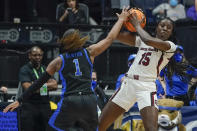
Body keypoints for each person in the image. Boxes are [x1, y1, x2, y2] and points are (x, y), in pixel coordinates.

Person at [4, 7, 130, 131]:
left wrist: (20, 100)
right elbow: (110, 38)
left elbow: (39, 83)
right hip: (89, 100)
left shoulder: (58, 61)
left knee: (51, 128)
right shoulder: (90, 52)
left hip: (70, 100)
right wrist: (121, 20)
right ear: (78, 40)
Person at [98, 10, 183, 130]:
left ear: (171, 32)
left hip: (146, 87)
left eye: (168, 28)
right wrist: (122, 21)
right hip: (129, 83)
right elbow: (116, 36)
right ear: (157, 27)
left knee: (151, 129)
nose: (164, 28)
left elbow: (148, 40)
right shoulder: (143, 40)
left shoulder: (170, 46)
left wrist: (137, 24)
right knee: (101, 123)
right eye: (162, 25)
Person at [18, 46, 58, 131]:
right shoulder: (24, 70)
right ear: (29, 56)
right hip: (30, 107)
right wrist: (46, 85)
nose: (37, 57)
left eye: (40, 55)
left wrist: (35, 86)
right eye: (35, 55)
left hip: (44, 105)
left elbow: (55, 85)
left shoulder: (45, 69)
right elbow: (28, 88)